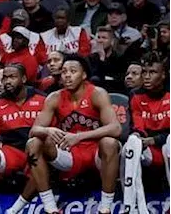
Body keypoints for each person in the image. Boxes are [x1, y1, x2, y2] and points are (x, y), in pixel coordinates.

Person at [26, 56, 122, 214]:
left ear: (84, 75)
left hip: (97, 151)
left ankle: (105, 208)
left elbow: (116, 128)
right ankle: (50, 208)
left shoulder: (97, 93)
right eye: (64, 72)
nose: (67, 75)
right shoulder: (54, 97)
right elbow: (33, 130)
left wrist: (78, 137)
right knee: (33, 143)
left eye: (73, 71)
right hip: (70, 153)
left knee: (110, 143)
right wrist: (47, 130)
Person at [0, 63, 46, 214]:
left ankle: (14, 210)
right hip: (13, 151)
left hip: (37, 150)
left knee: (43, 165)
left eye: (12, 77)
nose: (7, 81)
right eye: (5, 78)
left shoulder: (42, 100)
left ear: (23, 78)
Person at [125, 59, 171, 210]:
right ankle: (131, 205)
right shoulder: (136, 95)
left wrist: (155, 139)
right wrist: (138, 137)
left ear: (163, 75)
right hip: (149, 149)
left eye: (152, 72)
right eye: (144, 72)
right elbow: (137, 126)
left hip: (165, 144)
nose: (146, 77)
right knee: (131, 143)